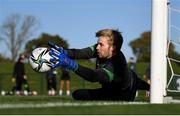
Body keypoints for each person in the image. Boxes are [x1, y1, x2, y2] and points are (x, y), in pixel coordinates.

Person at [48, 29, 150, 101]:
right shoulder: (100, 49)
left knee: (130, 82)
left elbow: (93, 76)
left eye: (101, 44)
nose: (97, 47)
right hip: (109, 89)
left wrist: (71, 64)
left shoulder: (116, 65)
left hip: (123, 94)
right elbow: (81, 53)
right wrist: (65, 52)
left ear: (112, 48)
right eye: (98, 43)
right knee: (77, 94)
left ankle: (150, 87)